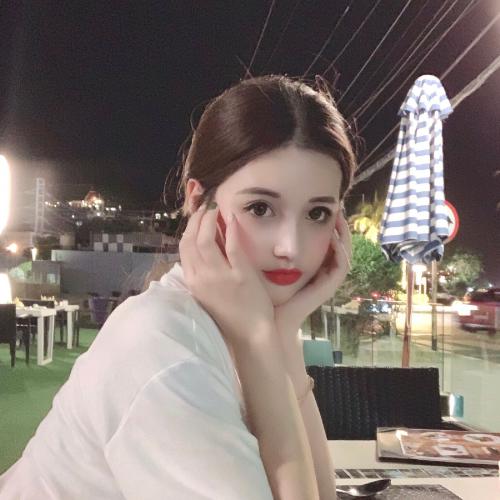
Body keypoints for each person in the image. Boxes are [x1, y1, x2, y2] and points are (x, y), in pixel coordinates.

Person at [0, 75, 356, 499]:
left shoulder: (244, 324)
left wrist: (282, 336)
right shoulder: (167, 349)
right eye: (260, 208)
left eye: (317, 214)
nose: (290, 248)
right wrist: (263, 340)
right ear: (198, 200)